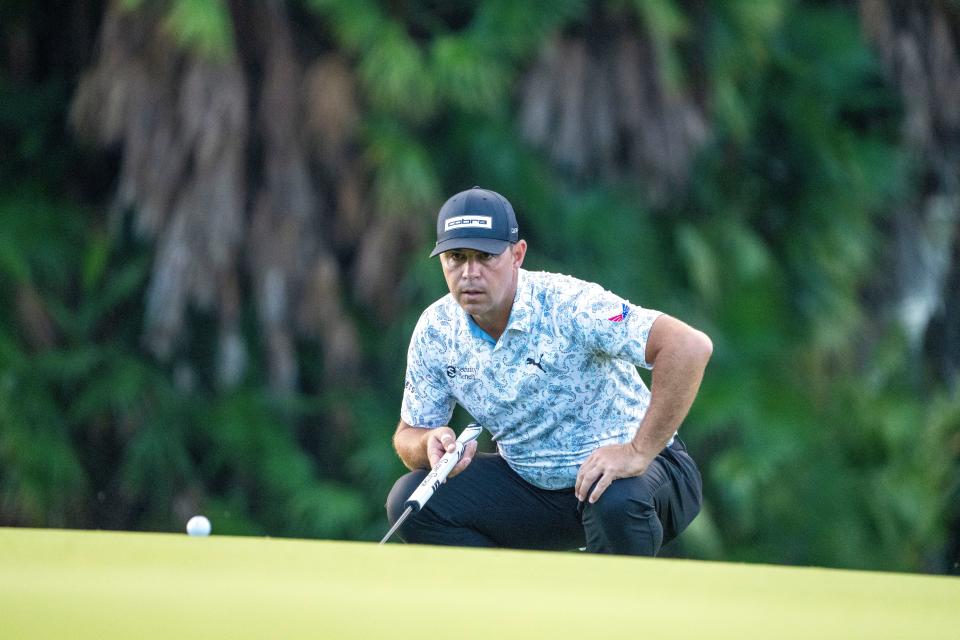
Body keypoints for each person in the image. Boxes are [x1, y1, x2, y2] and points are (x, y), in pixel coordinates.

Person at [385, 186, 711, 555]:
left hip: (645, 474)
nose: (469, 273)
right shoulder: (436, 328)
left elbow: (688, 346)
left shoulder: (570, 304)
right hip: (534, 488)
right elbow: (409, 433)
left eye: (485, 256)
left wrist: (636, 451)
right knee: (411, 502)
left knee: (615, 500)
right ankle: (511, 605)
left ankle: (617, 609)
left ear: (516, 255)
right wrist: (427, 444)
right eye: (456, 257)